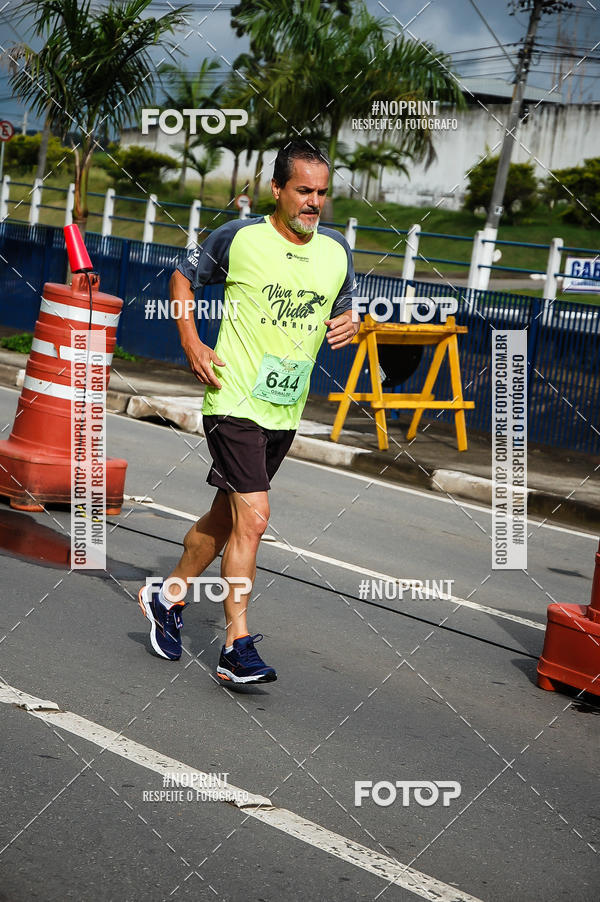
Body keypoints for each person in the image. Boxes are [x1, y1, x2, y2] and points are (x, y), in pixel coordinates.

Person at [138, 138, 359, 683]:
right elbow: (182, 277)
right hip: (232, 399)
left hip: (284, 409)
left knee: (226, 518)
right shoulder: (239, 237)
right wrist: (191, 341)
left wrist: (353, 324)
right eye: (303, 191)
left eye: (322, 194)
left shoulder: (336, 250)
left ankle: (166, 598)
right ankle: (237, 648)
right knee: (255, 519)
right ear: (277, 189)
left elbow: (344, 307)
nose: (313, 202)